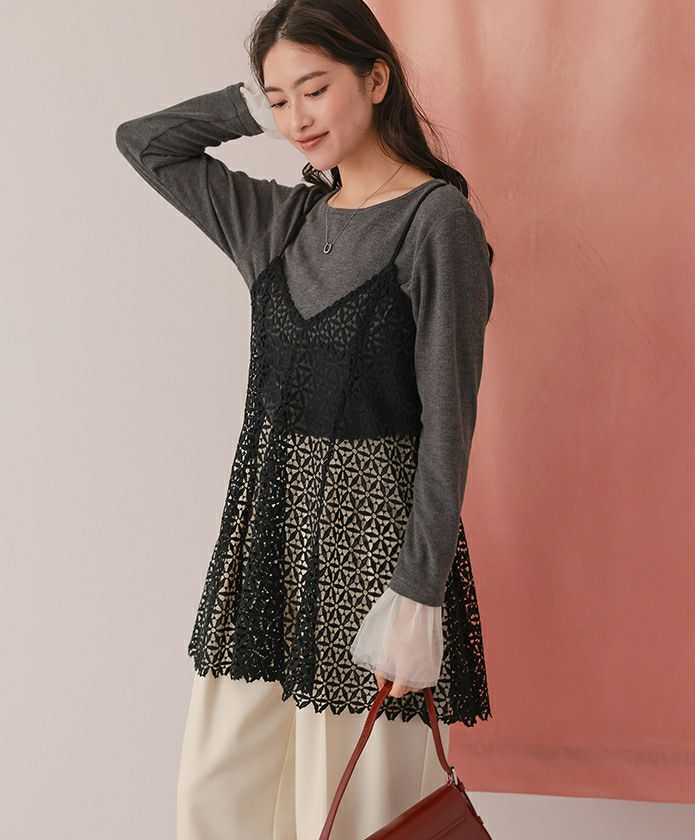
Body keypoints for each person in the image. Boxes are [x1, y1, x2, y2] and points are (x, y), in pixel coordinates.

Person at [115, 1, 494, 836]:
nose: (296, 120)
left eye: (314, 90)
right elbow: (145, 143)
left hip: (372, 562)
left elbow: (449, 424)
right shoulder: (279, 222)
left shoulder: (437, 224)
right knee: (219, 798)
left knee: (348, 811)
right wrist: (247, 106)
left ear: (376, 78)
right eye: (278, 100)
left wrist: (417, 595)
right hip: (266, 549)